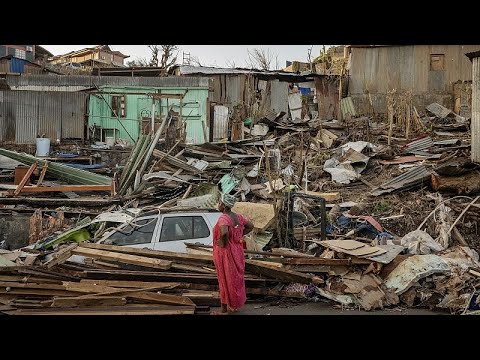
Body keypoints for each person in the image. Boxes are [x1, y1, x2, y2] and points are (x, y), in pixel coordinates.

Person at [211, 193, 254, 315]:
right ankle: (234, 304)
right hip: (237, 251)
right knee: (235, 279)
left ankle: (224, 310)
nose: (218, 205)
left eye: (219, 203)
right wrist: (239, 235)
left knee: (224, 279)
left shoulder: (223, 218)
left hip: (225, 253)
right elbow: (250, 226)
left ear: (224, 206)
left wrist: (223, 242)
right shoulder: (238, 217)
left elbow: (224, 231)